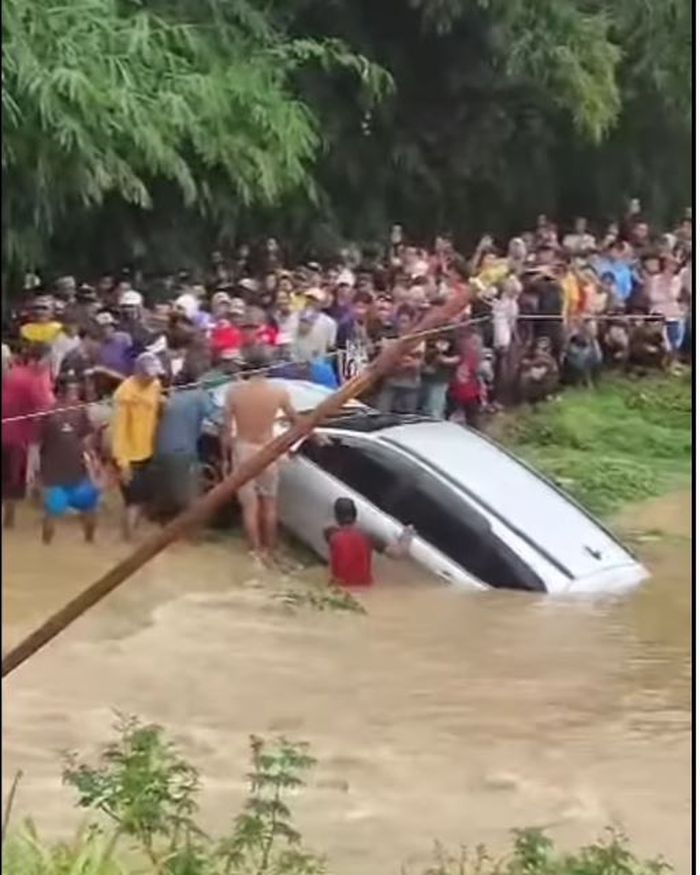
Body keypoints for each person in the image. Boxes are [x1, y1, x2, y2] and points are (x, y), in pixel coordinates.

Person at [222, 345, 300, 560]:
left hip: (243, 450)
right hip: (268, 450)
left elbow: (226, 430)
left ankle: (256, 552)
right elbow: (298, 422)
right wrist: (309, 438)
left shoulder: (234, 392)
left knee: (250, 507)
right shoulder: (278, 392)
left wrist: (225, 459)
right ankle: (271, 549)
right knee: (270, 504)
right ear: (267, 367)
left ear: (246, 366)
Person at [39, 372, 100, 544]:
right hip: (76, 470)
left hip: (53, 472)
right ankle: (89, 543)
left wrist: (35, 469)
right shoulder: (80, 410)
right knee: (89, 508)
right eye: (75, 389)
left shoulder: (47, 412)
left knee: (52, 512)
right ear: (70, 390)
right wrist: (93, 461)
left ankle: (46, 548)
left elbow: (38, 443)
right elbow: (88, 439)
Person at [151, 364, 215, 521]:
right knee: (189, 495)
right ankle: (191, 528)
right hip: (182, 450)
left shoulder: (169, 398)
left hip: (159, 449)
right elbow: (216, 416)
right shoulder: (199, 396)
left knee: (167, 491)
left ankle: (164, 521)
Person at [111, 351, 164, 540]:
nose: (152, 379)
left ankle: (131, 534)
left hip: (147, 452)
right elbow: (119, 432)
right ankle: (128, 540)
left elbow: (158, 404)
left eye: (154, 375)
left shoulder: (155, 385)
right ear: (138, 373)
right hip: (128, 455)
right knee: (133, 501)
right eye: (149, 375)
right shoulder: (124, 394)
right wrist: (123, 464)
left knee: (143, 500)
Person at [2, 342, 55, 528]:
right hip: (18, 437)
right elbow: (47, 408)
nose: (50, 362)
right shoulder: (34, 380)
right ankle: (8, 521)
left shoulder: (14, 373)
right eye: (48, 358)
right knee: (13, 481)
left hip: (11, 432)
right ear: (37, 360)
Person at [324, 497, 414, 587]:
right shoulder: (368, 536)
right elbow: (397, 554)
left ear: (336, 517)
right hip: (363, 587)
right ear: (355, 515)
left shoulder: (330, 533)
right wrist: (407, 535)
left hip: (338, 587)